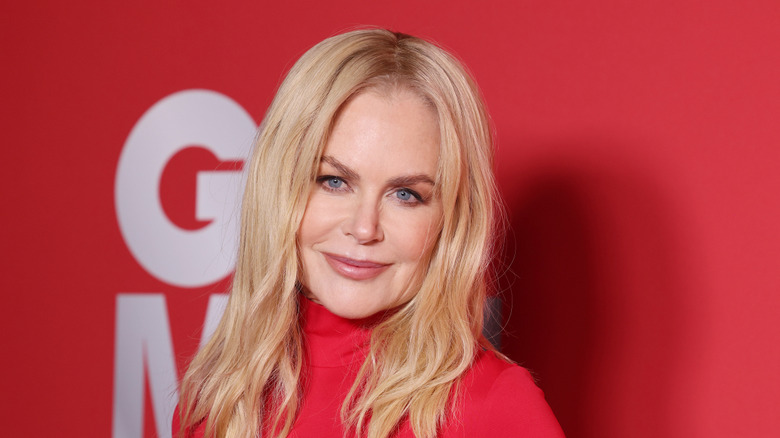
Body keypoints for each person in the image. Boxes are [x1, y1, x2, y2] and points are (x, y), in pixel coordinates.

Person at [175, 28, 564, 438]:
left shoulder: (493, 407)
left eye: (406, 194)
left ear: (450, 220)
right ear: (279, 187)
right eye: (334, 181)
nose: (364, 228)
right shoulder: (220, 395)